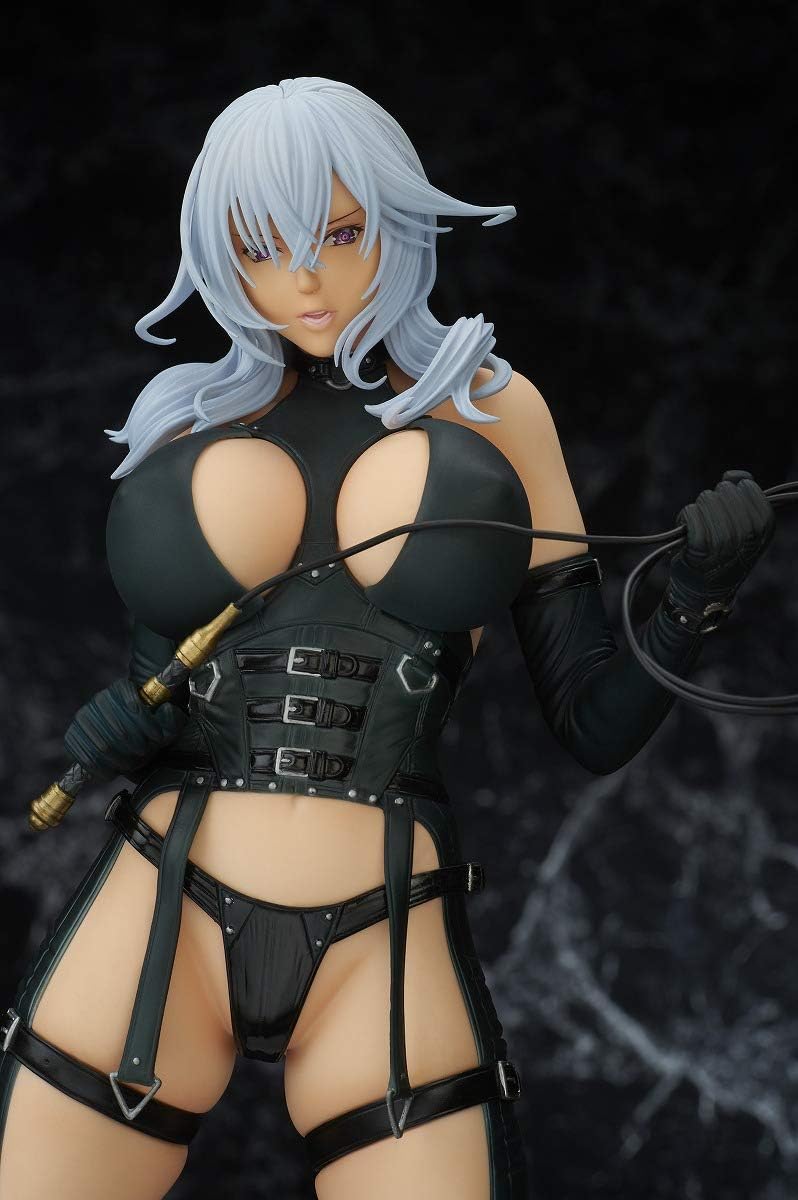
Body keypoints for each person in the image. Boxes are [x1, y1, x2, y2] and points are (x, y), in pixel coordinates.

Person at [0, 78, 774, 1200]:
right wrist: (122, 724)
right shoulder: (191, 419)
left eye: (339, 233)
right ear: (218, 255)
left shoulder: (492, 407)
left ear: (398, 221)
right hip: (159, 909)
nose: (305, 280)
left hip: (386, 941)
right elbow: (157, 688)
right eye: (260, 248)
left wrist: (696, 594)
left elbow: (592, 723)